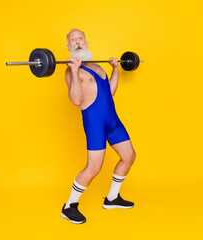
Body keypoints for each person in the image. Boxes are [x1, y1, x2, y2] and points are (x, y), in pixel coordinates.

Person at [61, 28, 136, 224]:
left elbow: (109, 93)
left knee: (129, 157)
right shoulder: (71, 71)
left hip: (113, 120)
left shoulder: (97, 66)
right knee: (94, 167)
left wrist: (116, 70)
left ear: (86, 41)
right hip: (95, 123)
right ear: (68, 47)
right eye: (72, 39)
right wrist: (75, 71)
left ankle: (112, 198)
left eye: (80, 38)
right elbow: (76, 99)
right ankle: (69, 206)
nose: (77, 41)